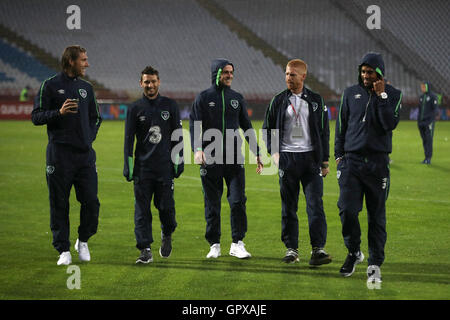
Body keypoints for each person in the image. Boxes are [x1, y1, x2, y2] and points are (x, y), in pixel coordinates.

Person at [335, 52, 402, 284]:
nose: (365, 76)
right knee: (347, 210)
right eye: (363, 71)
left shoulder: (393, 95)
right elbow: (341, 126)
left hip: (377, 164)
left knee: (376, 217)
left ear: (380, 73)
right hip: (351, 163)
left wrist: (381, 95)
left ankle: (374, 262)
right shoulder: (349, 94)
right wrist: (338, 156)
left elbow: (389, 124)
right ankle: (354, 252)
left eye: (370, 72)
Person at [31, 45, 102, 265]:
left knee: (91, 201)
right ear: (71, 61)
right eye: (83, 60)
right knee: (59, 203)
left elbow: (96, 118)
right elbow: (36, 116)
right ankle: (63, 250)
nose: (87, 64)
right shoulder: (50, 86)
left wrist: (88, 138)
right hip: (59, 155)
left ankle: (83, 240)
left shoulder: (86, 89)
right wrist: (58, 113)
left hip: (84, 157)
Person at [189, 58, 263, 259]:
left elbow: (247, 127)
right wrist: (197, 149)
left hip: (234, 159)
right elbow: (194, 125)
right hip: (210, 159)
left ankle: (237, 243)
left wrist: (257, 152)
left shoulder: (237, 98)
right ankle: (214, 244)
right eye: (226, 72)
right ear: (217, 73)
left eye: (231, 72)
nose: (230, 76)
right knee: (212, 203)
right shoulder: (203, 98)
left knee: (238, 201)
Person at [262, 59, 332, 265]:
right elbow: (267, 129)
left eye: (292, 74)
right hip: (288, 159)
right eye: (286, 74)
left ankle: (318, 249)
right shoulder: (277, 100)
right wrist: (274, 154)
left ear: (303, 76)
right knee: (289, 207)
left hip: (311, 160)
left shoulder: (316, 100)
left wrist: (325, 161)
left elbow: (324, 131)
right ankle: (291, 249)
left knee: (315, 205)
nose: (288, 78)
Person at [124, 66, 184, 264]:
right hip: (143, 169)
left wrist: (179, 160)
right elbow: (128, 140)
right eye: (146, 82)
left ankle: (167, 233)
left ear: (159, 82)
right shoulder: (134, 109)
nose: (150, 85)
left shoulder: (170, 106)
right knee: (142, 211)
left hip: (164, 168)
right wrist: (128, 164)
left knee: (166, 209)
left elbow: (177, 136)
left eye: (153, 81)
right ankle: (145, 249)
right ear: (141, 84)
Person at [417, 81, 439, 164]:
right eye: (421, 87)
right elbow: (419, 110)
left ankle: (428, 158)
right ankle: (426, 157)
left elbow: (435, 110)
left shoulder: (433, 96)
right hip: (421, 123)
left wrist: (430, 120)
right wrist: (419, 121)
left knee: (429, 140)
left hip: (429, 122)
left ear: (427, 87)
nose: (422, 88)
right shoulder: (421, 97)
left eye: (423, 87)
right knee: (424, 140)